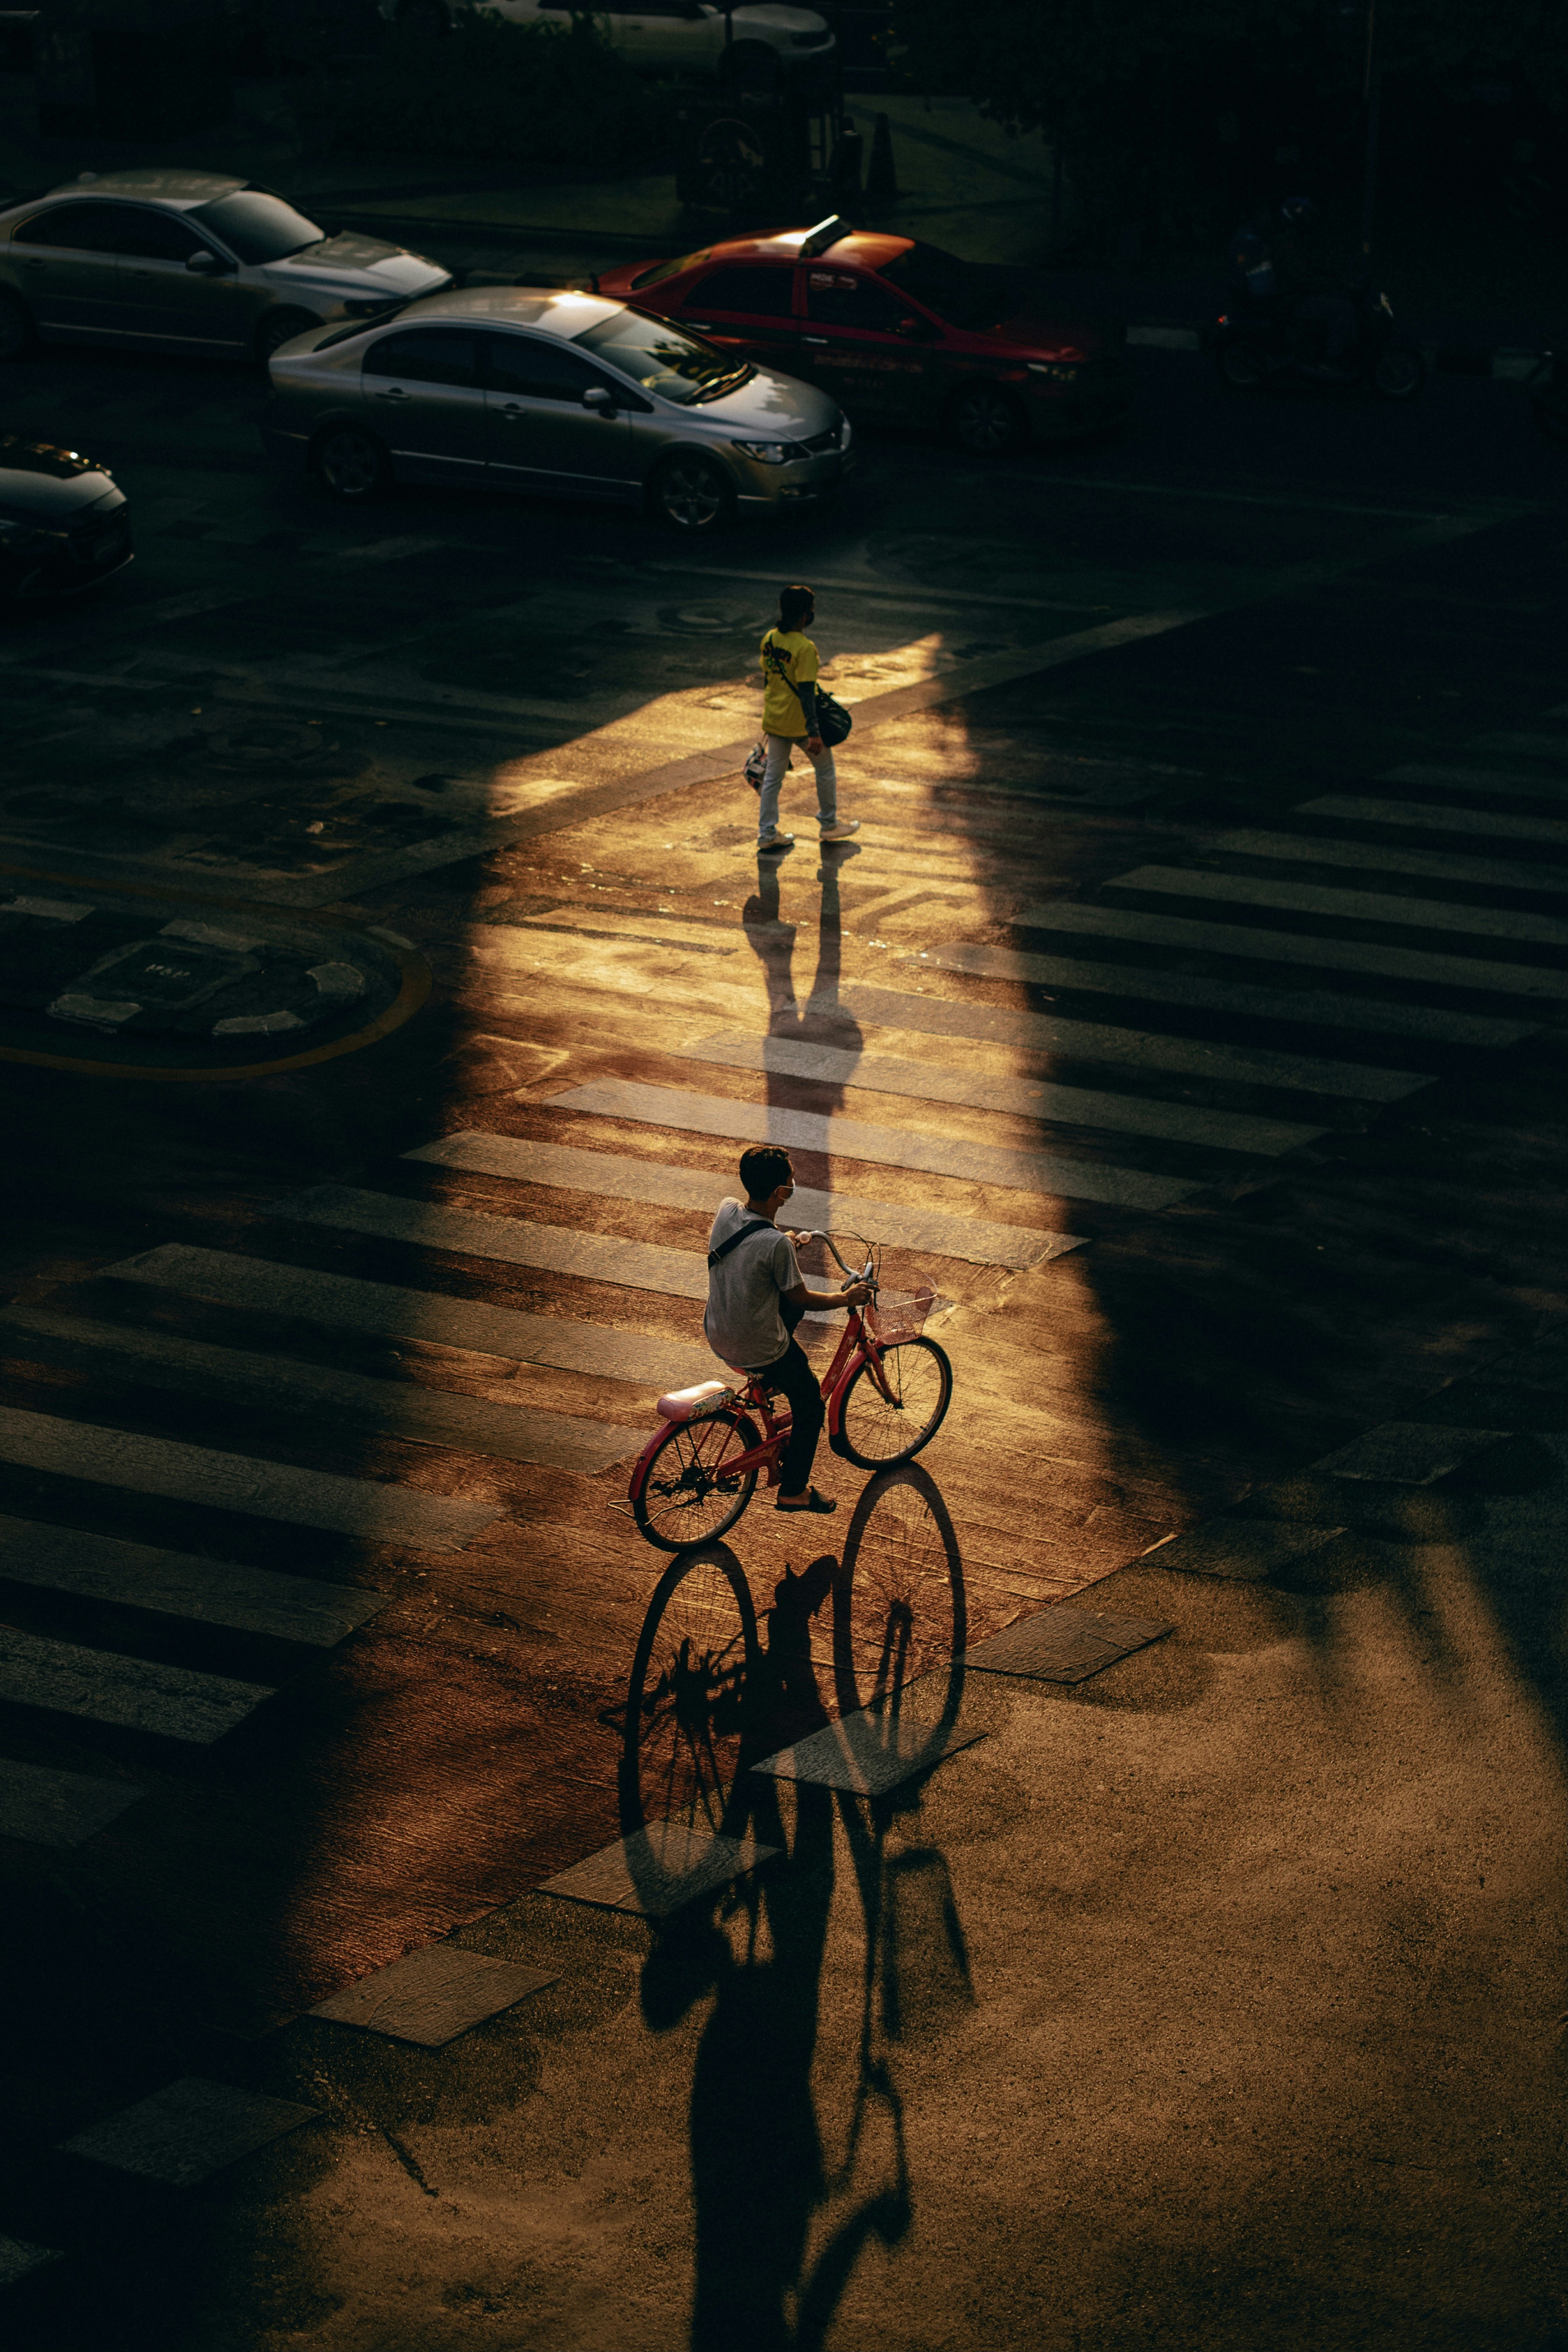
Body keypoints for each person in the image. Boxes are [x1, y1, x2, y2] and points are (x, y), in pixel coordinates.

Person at [703, 1144, 872, 1515]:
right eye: (790, 1179)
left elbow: (754, 1243)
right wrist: (847, 1298)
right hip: (756, 1344)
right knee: (810, 1406)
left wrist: (787, 1240)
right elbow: (802, 1299)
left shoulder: (728, 1209)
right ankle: (794, 1491)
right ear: (781, 1192)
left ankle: (769, 1378)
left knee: (779, 1319)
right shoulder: (774, 1245)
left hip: (719, 1330)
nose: (794, 1183)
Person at [756, 585, 861, 856]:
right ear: (804, 615)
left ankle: (767, 833)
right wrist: (814, 732)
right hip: (800, 724)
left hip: (776, 719)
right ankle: (829, 824)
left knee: (773, 779)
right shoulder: (804, 648)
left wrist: (771, 717)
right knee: (825, 770)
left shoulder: (769, 639)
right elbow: (806, 694)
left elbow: (770, 679)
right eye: (811, 610)